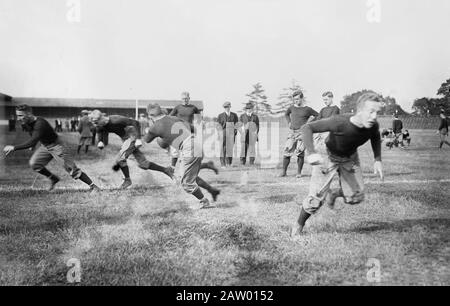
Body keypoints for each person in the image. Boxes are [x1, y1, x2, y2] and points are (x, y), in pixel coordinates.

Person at [291, 92, 383, 236]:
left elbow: (376, 136)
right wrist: (312, 152)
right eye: (371, 112)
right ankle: (298, 226)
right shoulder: (339, 122)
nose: (374, 117)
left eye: (377, 112)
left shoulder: (372, 125)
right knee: (315, 200)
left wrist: (377, 159)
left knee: (356, 196)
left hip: (349, 158)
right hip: (328, 156)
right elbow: (307, 128)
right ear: (360, 111)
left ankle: (333, 194)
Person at [2, 104, 99, 191]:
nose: (18, 118)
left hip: (57, 146)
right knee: (34, 164)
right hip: (45, 146)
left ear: (29, 114)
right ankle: (54, 179)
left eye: (20, 115)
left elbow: (32, 141)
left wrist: (14, 147)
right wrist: (35, 144)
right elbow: (33, 134)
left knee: (72, 170)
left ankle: (93, 186)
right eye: (17, 115)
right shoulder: (25, 122)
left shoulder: (40, 123)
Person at [144, 103, 220, 208]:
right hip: (195, 143)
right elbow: (193, 128)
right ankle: (211, 186)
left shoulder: (155, 126)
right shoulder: (173, 118)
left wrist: (155, 133)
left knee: (186, 183)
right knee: (187, 175)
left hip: (189, 148)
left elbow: (147, 140)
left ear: (150, 115)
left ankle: (204, 201)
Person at [89, 110, 174, 189]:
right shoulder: (100, 125)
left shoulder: (116, 120)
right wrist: (100, 142)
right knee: (143, 164)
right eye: (94, 123)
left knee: (120, 158)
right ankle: (166, 170)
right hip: (126, 139)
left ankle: (127, 180)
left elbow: (135, 122)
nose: (96, 125)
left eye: (96, 122)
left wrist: (138, 139)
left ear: (102, 118)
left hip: (132, 136)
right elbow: (101, 134)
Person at [280, 90, 318, 178]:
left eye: (297, 99)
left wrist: (309, 122)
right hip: (292, 133)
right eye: (294, 99)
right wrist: (289, 122)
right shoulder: (291, 108)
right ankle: (284, 172)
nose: (296, 101)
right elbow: (286, 114)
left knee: (300, 153)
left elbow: (317, 115)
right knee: (287, 152)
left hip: (302, 133)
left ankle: (299, 173)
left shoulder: (307, 109)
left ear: (302, 98)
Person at [168, 92, 201, 167]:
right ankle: (173, 167)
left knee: (187, 151)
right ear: (181, 99)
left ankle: (185, 167)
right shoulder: (178, 107)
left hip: (189, 131)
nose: (185, 100)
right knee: (175, 151)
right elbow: (170, 117)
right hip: (177, 131)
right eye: (183, 99)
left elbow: (199, 119)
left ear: (189, 98)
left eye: (186, 98)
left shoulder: (193, 108)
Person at [217, 101, 238, 168]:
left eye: (228, 107)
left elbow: (237, 124)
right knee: (223, 148)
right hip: (223, 133)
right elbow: (218, 126)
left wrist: (235, 131)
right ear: (224, 108)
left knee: (230, 148)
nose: (227, 108)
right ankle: (223, 164)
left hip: (231, 134)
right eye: (225, 107)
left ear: (230, 107)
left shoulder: (234, 115)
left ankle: (229, 163)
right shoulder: (220, 116)